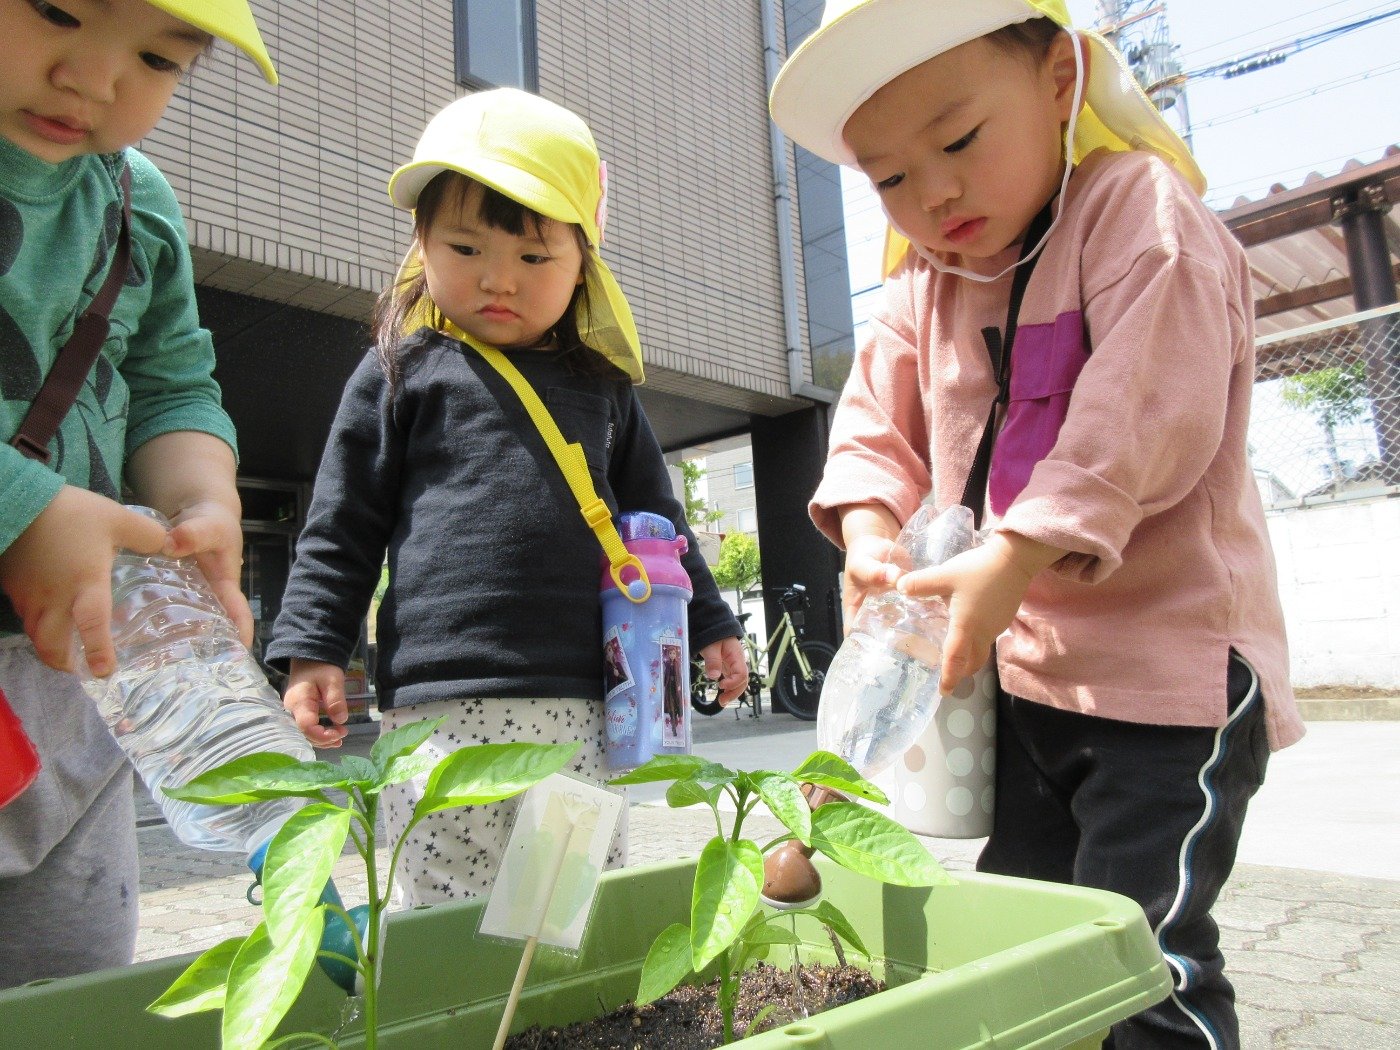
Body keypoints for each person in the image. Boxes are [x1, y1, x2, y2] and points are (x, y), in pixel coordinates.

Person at [770, 2, 1303, 1047]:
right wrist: (871, 531)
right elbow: (874, 423)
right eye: (890, 176)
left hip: (1168, 675)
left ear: (1059, 79)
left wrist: (1014, 551)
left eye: (960, 139)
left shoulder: (1137, 213)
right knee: (1028, 939)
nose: (933, 193)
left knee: (1134, 954)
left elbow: (1143, 412)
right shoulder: (925, 279)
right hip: (1026, 682)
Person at [267, 89, 749, 906]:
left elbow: (658, 524)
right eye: (465, 247)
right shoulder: (401, 372)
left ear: (583, 263)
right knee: (445, 908)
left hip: (587, 692)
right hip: (438, 703)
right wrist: (315, 647)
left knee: (566, 904)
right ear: (422, 244)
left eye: (533, 257)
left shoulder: (602, 387)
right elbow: (342, 525)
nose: (498, 279)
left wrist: (710, 622)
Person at [0, 0, 278, 987]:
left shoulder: (133, 199)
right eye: (56, 12)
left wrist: (203, 499)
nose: (94, 78)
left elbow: (171, 382)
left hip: (84, 674)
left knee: (70, 980)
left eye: (158, 58)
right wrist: (26, 509)